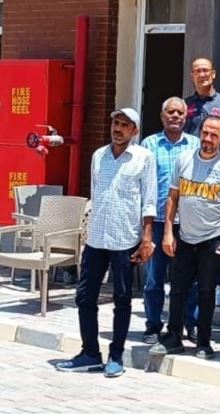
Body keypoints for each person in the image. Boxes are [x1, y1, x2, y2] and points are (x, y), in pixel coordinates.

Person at [55, 108, 157, 378]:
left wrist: (147, 238)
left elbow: (149, 201)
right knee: (84, 296)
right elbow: (96, 192)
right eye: (115, 123)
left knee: (122, 299)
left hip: (125, 239)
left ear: (134, 131)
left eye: (125, 125)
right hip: (97, 237)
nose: (118, 129)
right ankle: (89, 353)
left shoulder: (144, 158)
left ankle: (116, 356)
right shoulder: (99, 155)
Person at [148, 115, 220, 360]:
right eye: (205, 133)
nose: (208, 138)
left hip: (213, 236)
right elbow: (172, 198)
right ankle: (173, 338)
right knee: (178, 289)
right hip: (185, 236)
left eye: (214, 135)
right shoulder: (184, 159)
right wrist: (168, 232)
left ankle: (204, 342)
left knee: (207, 292)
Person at [140, 97, 200, 345]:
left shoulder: (195, 144)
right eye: (170, 112)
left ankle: (190, 323)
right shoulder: (149, 144)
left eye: (180, 113)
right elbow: (143, 183)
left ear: (186, 117)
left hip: (188, 222)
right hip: (156, 221)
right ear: (162, 116)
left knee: (189, 279)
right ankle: (153, 325)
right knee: (154, 278)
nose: (175, 116)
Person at [184, 58, 220, 136]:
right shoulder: (185, 104)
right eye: (198, 71)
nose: (202, 74)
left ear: (213, 74)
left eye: (205, 70)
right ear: (192, 76)